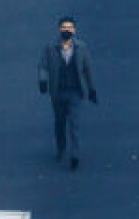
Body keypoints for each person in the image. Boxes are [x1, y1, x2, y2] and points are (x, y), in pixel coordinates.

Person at [37, 15, 97, 170]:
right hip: (57, 93)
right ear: (59, 30)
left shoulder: (81, 48)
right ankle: (61, 148)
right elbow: (43, 66)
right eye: (64, 28)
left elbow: (87, 69)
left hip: (75, 92)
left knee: (74, 124)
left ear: (74, 30)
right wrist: (43, 81)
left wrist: (91, 89)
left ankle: (75, 155)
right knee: (60, 122)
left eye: (69, 28)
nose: (66, 31)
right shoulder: (50, 48)